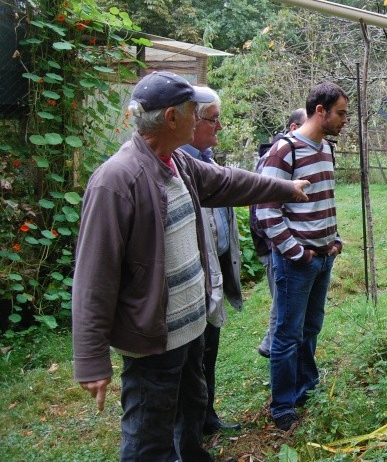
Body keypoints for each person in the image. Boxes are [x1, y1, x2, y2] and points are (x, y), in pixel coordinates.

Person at [71, 71, 310, 461]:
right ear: (171, 118)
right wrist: (91, 359)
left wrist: (285, 188)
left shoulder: (177, 162)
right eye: (193, 112)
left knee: (192, 411)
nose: (200, 120)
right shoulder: (116, 181)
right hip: (154, 340)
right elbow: (94, 277)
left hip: (191, 329)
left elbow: (229, 182)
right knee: (149, 437)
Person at [253, 82, 348, 431]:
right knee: (287, 334)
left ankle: (306, 388)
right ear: (319, 111)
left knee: (311, 327)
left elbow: (326, 198)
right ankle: (282, 405)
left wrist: (334, 240)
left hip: (324, 257)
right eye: (340, 113)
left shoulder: (325, 150)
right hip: (297, 263)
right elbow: (266, 212)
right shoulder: (284, 151)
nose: (344, 120)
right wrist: (298, 254)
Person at [179, 87, 242, 435]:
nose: (219, 127)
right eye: (213, 119)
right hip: (191, 278)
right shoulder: (176, 165)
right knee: (190, 357)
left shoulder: (207, 160)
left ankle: (206, 416)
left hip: (214, 272)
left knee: (209, 350)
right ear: (191, 120)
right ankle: (188, 430)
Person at [253, 107, 308, 359]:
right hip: (275, 245)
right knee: (284, 306)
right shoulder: (274, 158)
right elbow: (260, 211)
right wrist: (281, 245)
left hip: (284, 244)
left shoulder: (296, 154)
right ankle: (276, 351)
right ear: (294, 128)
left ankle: (274, 347)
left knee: (283, 305)